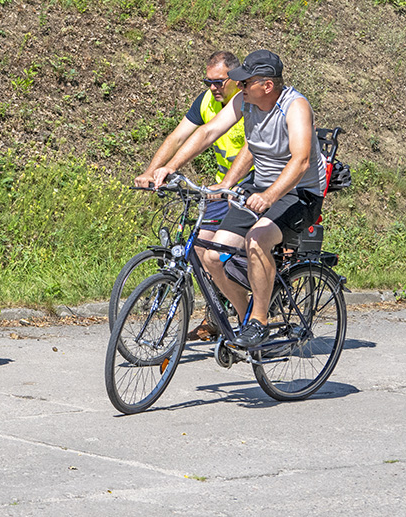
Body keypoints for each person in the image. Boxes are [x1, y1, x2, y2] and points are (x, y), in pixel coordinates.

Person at [143, 49, 326, 349]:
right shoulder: (246, 102)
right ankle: (245, 323)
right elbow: (208, 132)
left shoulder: (295, 107)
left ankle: (260, 321)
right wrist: (170, 166)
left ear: (267, 85)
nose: (238, 87)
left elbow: (301, 161)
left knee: (256, 240)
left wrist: (268, 195)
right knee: (212, 256)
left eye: (246, 82)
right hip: (261, 188)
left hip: (299, 194)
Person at [135, 50, 251, 341]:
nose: (212, 87)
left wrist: (227, 183)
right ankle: (216, 314)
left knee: (229, 251)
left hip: (251, 186)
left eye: (218, 82)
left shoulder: (250, 103)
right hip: (222, 189)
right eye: (207, 81)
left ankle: (249, 310)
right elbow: (179, 136)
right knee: (199, 248)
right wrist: (154, 171)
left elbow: (251, 150)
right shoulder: (207, 101)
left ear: (236, 80)